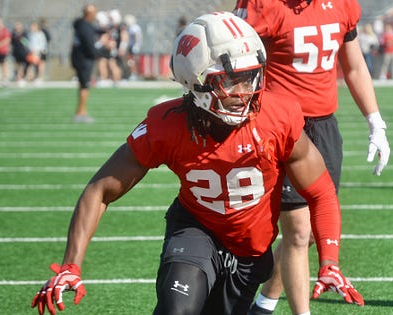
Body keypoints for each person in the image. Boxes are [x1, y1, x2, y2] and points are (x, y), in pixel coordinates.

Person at [31, 12, 363, 315]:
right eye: (230, 80)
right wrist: (70, 265)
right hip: (196, 229)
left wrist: (330, 260)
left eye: (250, 77)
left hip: (252, 249)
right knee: (177, 311)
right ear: (196, 79)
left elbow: (320, 192)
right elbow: (101, 189)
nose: (244, 91)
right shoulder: (167, 125)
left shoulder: (279, 115)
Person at [233, 1, 390, 314]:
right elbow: (235, 59)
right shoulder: (264, 6)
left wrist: (376, 121)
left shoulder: (343, 5)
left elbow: (355, 66)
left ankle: (262, 306)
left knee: (312, 233)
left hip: (324, 126)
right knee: (299, 230)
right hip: (282, 126)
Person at [71, 4, 102, 123]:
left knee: (83, 86)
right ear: (89, 14)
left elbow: (95, 30)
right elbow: (90, 47)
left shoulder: (82, 25)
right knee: (84, 86)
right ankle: (80, 113)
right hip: (84, 60)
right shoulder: (85, 27)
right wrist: (103, 51)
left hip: (79, 59)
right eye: (94, 12)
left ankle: (81, 111)